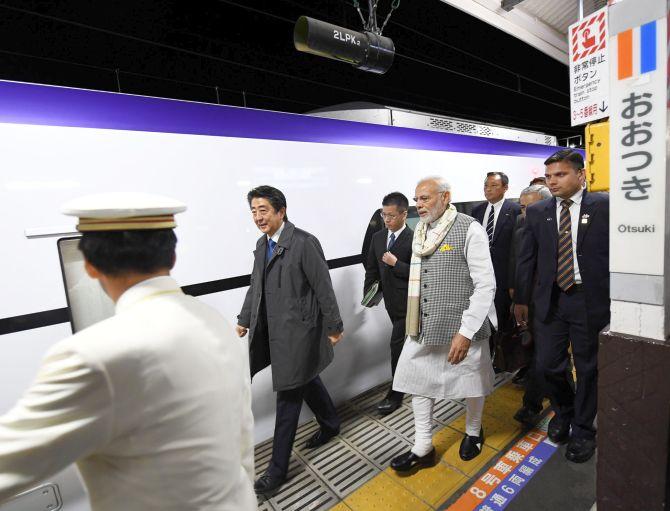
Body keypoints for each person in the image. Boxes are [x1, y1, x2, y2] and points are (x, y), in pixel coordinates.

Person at [0, 193, 256, 510]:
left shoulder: (93, 355)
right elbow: (244, 440)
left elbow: (8, 465)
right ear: (172, 257)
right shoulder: (214, 321)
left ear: (90, 266)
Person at [236, 185, 343, 494]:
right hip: (274, 332)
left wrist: (334, 325)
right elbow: (255, 286)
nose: (258, 217)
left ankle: (277, 469)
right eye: (254, 211)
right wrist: (244, 319)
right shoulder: (261, 245)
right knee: (305, 379)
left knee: (288, 395)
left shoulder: (303, 243)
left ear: (281, 211)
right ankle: (331, 423)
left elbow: (324, 287)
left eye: (263, 210)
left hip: (299, 333)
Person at [390, 177, 496, 472]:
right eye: (416, 199)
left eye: (424, 198)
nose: (418, 205)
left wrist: (466, 332)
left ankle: (473, 432)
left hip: (464, 325)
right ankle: (423, 446)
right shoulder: (420, 231)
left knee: (472, 380)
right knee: (418, 380)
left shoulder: (468, 227)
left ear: (445, 197)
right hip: (424, 323)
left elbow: (486, 284)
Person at [515, 149, 609, 463]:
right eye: (550, 176)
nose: (553, 182)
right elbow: (526, 258)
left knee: (587, 368)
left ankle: (583, 429)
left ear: (581, 175)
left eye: (561, 175)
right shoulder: (539, 210)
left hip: (587, 300)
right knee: (547, 365)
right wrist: (521, 300)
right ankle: (565, 411)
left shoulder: (604, 207)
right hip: (551, 300)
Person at [364, 192, 413, 415]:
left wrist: (396, 264)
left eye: (391, 216)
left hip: (411, 305)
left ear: (404, 214)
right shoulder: (378, 238)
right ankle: (413, 380)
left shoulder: (415, 239)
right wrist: (369, 293)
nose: (387, 220)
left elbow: (424, 274)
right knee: (405, 346)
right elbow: (372, 269)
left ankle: (396, 393)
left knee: (396, 347)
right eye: (384, 215)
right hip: (390, 304)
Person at [508, 184, 552, 426]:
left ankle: (536, 403)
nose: (526, 213)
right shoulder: (520, 226)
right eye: (523, 208)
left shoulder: (560, 227)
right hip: (530, 301)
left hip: (556, 302)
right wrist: (517, 297)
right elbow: (517, 261)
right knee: (541, 354)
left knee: (548, 355)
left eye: (532, 207)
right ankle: (534, 403)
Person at [471, 172, 521, 346]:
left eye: (493, 185)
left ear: (505, 188)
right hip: (481, 276)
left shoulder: (515, 210)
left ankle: (505, 358)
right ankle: (490, 356)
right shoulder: (477, 210)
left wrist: (514, 283)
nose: (488, 189)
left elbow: (518, 250)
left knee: (504, 320)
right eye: (486, 185)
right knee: (483, 319)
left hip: (504, 277)